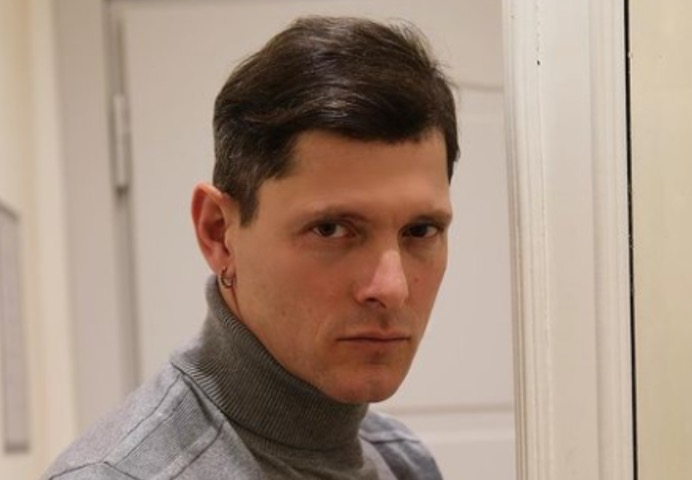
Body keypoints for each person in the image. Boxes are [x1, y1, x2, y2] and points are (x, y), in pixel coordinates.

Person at [43, 15, 458, 480]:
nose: (392, 288)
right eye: (330, 229)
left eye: (421, 230)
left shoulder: (405, 461)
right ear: (218, 233)